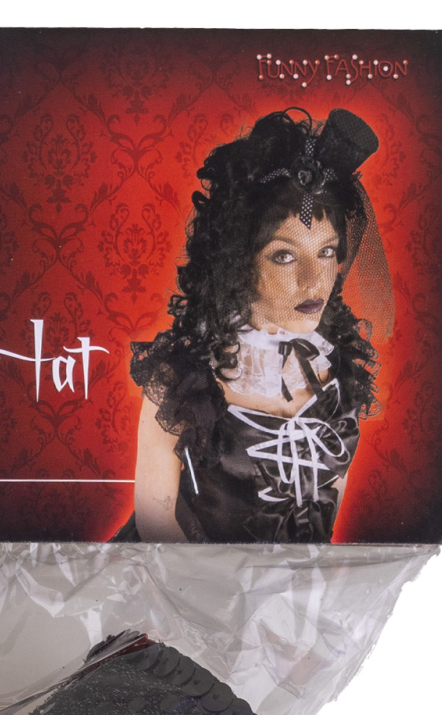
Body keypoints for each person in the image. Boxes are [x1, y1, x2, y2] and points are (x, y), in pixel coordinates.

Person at [118, 108, 391, 543]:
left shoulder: (342, 376)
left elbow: (324, 518)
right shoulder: (182, 380)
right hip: (179, 579)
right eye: (284, 256)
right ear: (240, 263)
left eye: (326, 252)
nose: (314, 280)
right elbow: (157, 527)